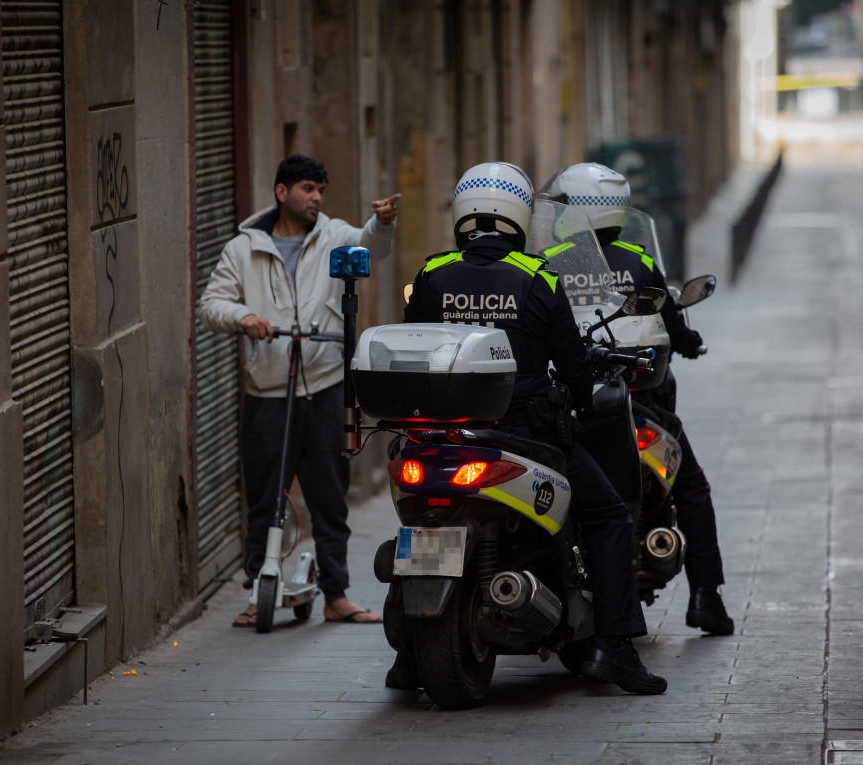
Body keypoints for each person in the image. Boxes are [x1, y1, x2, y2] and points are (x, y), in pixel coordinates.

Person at [389, 161, 667, 694]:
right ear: (520, 215)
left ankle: (408, 658)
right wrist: (581, 403)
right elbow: (576, 366)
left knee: (418, 519)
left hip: (441, 439)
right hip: (526, 438)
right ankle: (616, 647)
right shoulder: (538, 278)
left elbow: (415, 346)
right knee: (609, 516)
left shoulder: (432, 274)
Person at [197, 154, 401, 627]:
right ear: (281, 192)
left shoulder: (334, 236)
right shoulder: (244, 249)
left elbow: (372, 246)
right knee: (265, 494)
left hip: (325, 385)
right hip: (268, 389)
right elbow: (212, 305)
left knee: (330, 497)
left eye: (321, 191)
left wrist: (382, 222)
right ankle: (257, 591)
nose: (316, 198)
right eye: (308, 188)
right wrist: (243, 317)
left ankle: (336, 594)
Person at [544, 162, 734, 636]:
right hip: (632, 400)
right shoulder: (640, 261)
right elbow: (674, 326)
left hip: (569, 401)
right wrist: (689, 343)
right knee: (690, 485)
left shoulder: (550, 264)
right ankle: (706, 597)